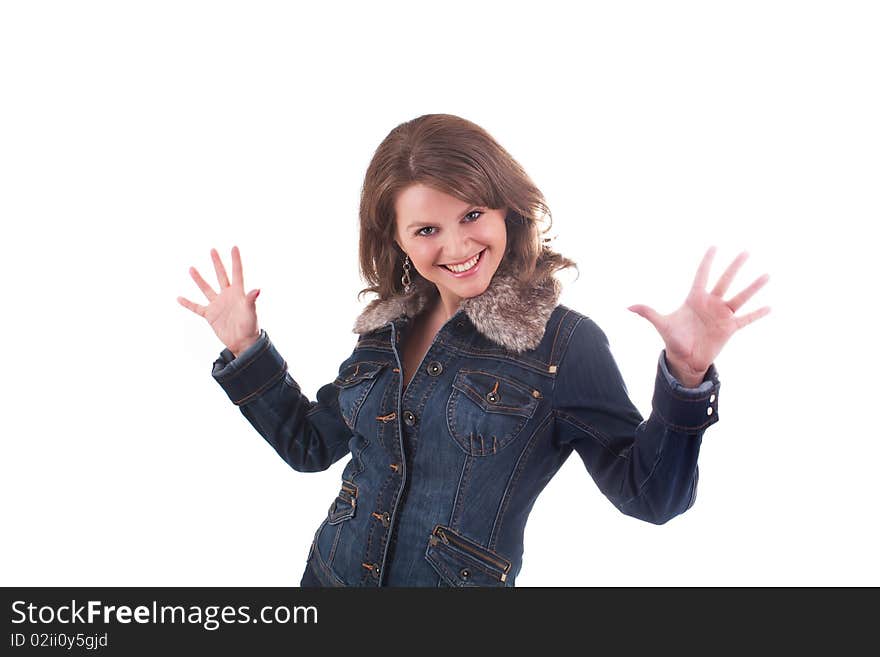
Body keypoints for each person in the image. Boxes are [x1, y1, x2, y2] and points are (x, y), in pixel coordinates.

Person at [177, 113, 770, 587]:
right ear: (398, 240)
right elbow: (310, 447)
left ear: (508, 209)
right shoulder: (381, 333)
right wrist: (246, 347)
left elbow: (651, 496)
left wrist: (685, 380)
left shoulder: (562, 344)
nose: (458, 245)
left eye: (473, 214)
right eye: (427, 230)